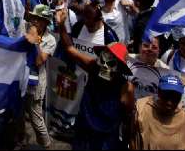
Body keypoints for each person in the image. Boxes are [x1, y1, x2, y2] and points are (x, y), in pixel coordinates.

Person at [55, 8, 134, 150]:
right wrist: (61, 25)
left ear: (119, 68)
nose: (105, 65)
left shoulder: (126, 88)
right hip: (84, 131)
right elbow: (70, 49)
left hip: (106, 139)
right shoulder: (93, 66)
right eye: (103, 59)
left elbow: (128, 117)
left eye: (111, 63)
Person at [130, 74, 185, 149]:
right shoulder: (142, 109)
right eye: (166, 96)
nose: (169, 102)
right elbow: (132, 138)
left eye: (175, 97)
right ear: (159, 93)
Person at [22, 4, 56, 148]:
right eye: (34, 18)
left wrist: (35, 40)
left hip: (35, 82)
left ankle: (46, 145)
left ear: (46, 22)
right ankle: (20, 141)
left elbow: (39, 61)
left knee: (35, 117)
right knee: (18, 112)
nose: (35, 21)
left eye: (39, 19)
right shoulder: (25, 27)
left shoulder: (50, 40)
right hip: (20, 77)